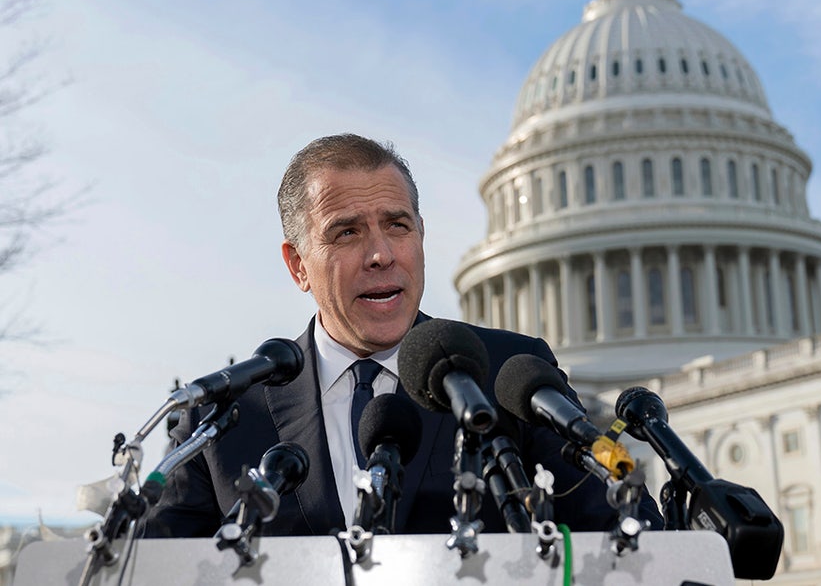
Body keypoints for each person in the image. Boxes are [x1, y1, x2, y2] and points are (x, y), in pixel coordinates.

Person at [144, 133, 662, 537]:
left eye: (397, 226)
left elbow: (629, 527)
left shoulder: (509, 375)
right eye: (347, 231)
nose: (382, 254)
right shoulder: (227, 417)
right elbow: (147, 568)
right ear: (298, 265)